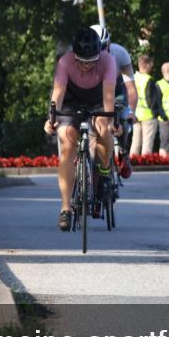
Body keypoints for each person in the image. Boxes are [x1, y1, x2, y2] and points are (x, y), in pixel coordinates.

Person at [44, 28, 121, 230]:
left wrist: (111, 122)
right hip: (71, 102)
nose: (86, 66)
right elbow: (58, 93)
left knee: (104, 128)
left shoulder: (108, 61)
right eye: (81, 61)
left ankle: (104, 170)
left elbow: (109, 96)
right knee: (67, 141)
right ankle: (65, 209)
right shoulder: (65, 62)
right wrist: (51, 119)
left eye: (91, 61)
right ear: (74, 55)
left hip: (97, 101)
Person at [91, 24, 137, 177]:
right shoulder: (82, 55)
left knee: (121, 118)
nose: (100, 53)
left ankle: (123, 152)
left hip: (117, 89)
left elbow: (131, 88)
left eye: (103, 47)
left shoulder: (120, 54)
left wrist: (131, 111)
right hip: (95, 91)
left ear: (109, 44)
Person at [131, 55, 162, 156]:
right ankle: (145, 162)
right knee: (147, 143)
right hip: (148, 116)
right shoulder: (148, 79)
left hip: (136, 114)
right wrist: (155, 113)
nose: (152, 67)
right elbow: (151, 99)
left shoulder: (133, 78)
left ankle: (132, 161)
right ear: (147, 65)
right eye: (151, 64)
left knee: (135, 142)